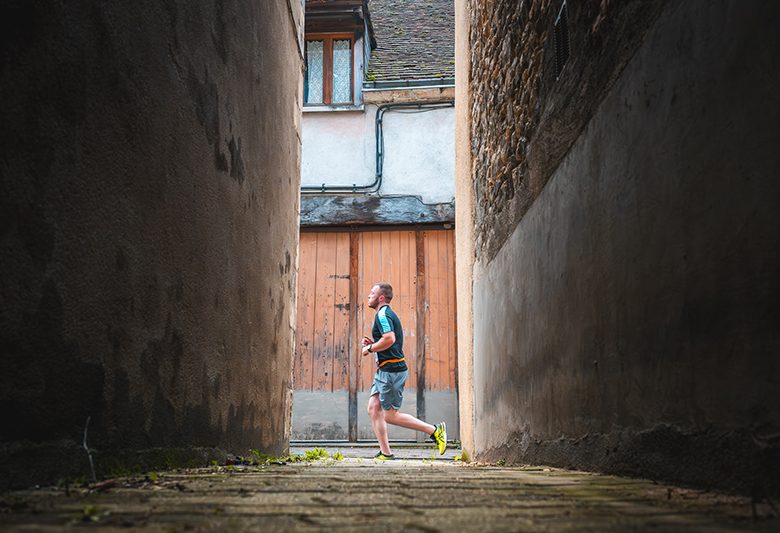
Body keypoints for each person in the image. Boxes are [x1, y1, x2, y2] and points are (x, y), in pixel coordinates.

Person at [362, 282, 447, 460]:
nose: (368, 296)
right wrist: (374, 345)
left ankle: (434, 430)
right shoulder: (383, 314)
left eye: (372, 293)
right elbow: (386, 342)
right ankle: (386, 453)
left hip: (392, 372)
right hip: (385, 370)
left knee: (391, 416)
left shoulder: (383, 314)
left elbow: (389, 339)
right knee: (373, 408)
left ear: (381, 297)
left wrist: (369, 350)